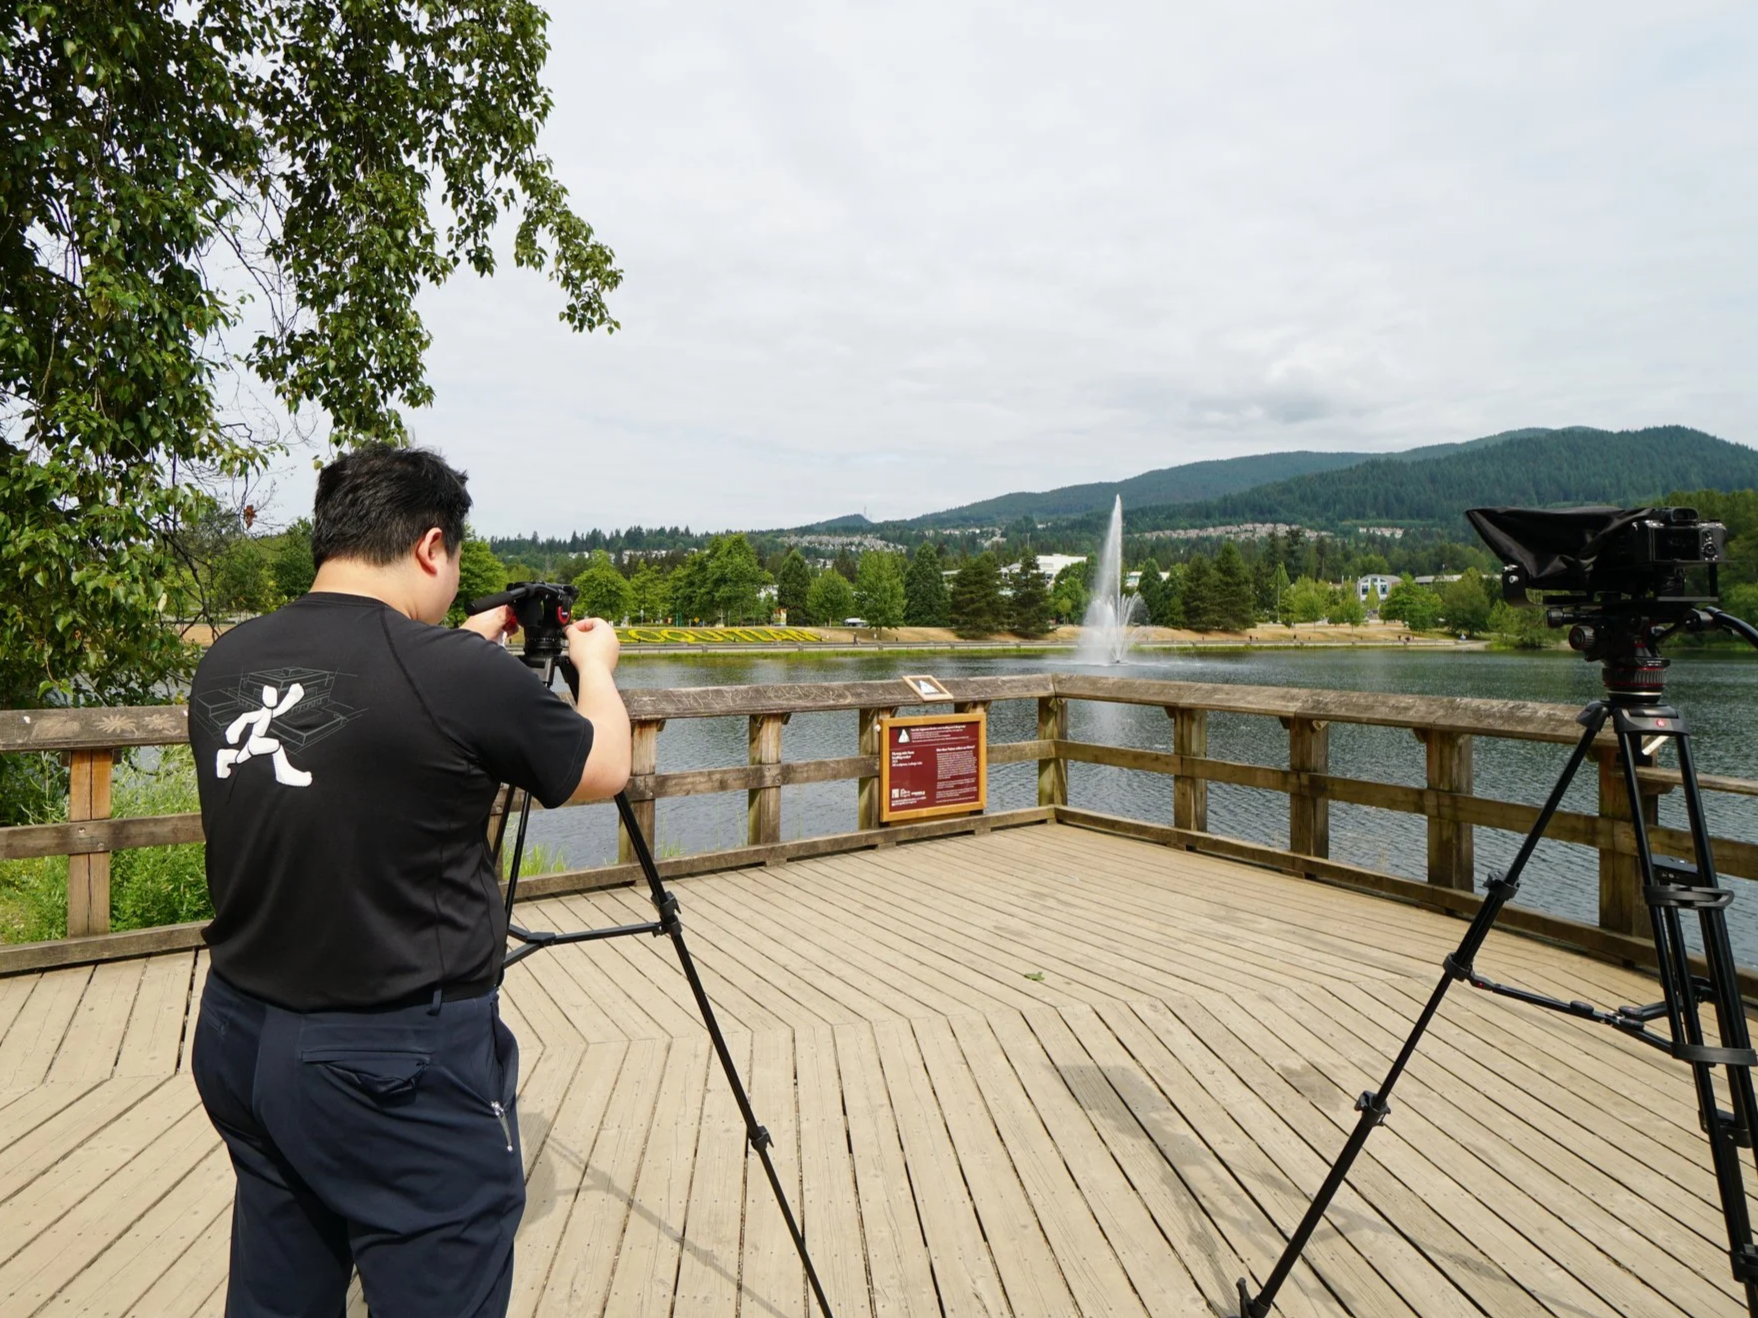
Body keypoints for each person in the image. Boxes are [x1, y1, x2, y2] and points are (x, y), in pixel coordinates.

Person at [187, 446, 630, 1317]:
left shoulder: (228, 661)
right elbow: (601, 768)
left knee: (282, 1287)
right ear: (432, 547)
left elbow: (370, 702)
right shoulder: (452, 676)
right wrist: (599, 671)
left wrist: (457, 644)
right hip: (392, 1061)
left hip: (240, 1035)